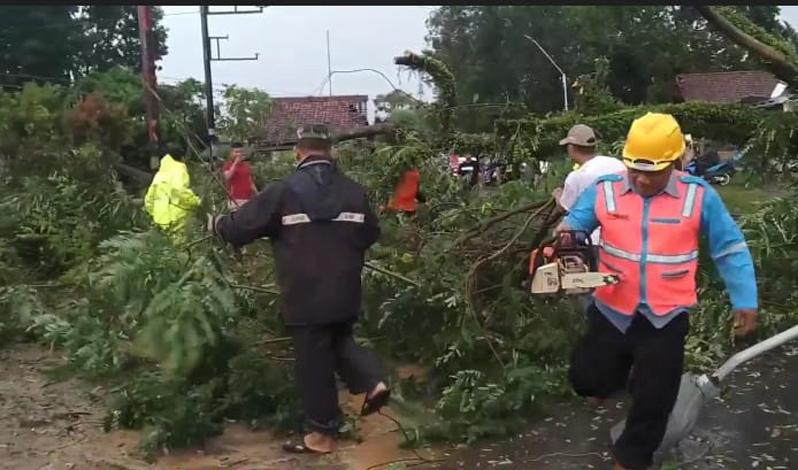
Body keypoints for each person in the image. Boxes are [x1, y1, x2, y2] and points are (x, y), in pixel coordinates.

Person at [555, 112, 758, 470]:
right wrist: (564, 243)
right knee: (587, 378)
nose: (642, 179)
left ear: (676, 161)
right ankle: (616, 378)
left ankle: (631, 457)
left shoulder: (698, 197)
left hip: (665, 316)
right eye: (635, 169)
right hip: (611, 310)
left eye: (654, 171)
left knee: (655, 399)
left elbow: (729, 248)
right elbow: (573, 226)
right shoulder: (605, 190)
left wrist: (745, 299)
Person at [208, 124, 390, 455]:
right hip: (345, 287)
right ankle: (372, 381)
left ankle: (321, 436)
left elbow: (240, 228)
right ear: (331, 151)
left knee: (314, 362)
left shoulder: (284, 191)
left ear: (298, 152)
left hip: (304, 291)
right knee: (339, 339)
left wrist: (217, 224)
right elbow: (371, 233)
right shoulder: (353, 191)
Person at [552, 124, 625, 246]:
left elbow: (566, 209)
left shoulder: (577, 176)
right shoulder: (616, 164)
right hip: (622, 237)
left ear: (571, 147)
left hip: (592, 241)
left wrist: (557, 195)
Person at [144, 143, 201, 242]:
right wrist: (196, 201)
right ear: (182, 157)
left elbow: (149, 199)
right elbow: (179, 190)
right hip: (176, 217)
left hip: (160, 219)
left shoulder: (160, 173)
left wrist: (155, 212)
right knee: (180, 248)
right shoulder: (179, 169)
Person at [222, 142, 258, 211]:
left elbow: (250, 182)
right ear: (231, 153)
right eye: (236, 152)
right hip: (235, 200)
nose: (239, 154)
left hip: (248, 199)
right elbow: (227, 176)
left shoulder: (246, 165)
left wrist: (258, 194)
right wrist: (235, 163)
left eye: (240, 152)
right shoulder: (228, 165)